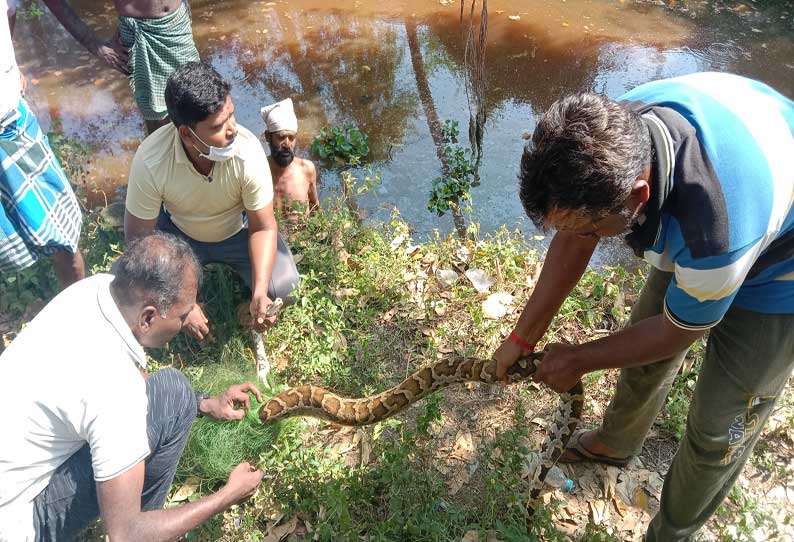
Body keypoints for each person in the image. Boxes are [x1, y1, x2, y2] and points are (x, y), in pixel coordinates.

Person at [493, 72, 794, 542]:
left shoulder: (714, 234)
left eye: (592, 230)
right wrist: (521, 337)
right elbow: (575, 239)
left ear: (637, 197)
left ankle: (671, 534)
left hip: (780, 271)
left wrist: (581, 359)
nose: (584, 238)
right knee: (640, 350)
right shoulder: (614, 129)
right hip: (735, 175)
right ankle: (614, 443)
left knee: (718, 429)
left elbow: (678, 332)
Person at [0, 232, 265, 541]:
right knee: (133, 525)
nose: (184, 324)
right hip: (16, 521)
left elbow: (114, 376)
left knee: (174, 392)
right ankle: (150, 520)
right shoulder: (118, 393)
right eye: (181, 315)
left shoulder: (93, 290)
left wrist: (204, 403)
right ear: (148, 317)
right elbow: (125, 535)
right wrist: (227, 495)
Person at [124, 61, 300, 340]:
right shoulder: (151, 160)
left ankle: (248, 301)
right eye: (218, 126)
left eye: (231, 115)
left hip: (236, 233)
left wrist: (259, 291)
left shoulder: (247, 153)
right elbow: (137, 240)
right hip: (179, 236)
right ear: (187, 134)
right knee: (124, 286)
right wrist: (183, 306)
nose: (232, 129)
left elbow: (263, 228)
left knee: (286, 287)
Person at [1, 0, 84, 288]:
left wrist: (11, 63)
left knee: (63, 229)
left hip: (11, 122)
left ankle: (79, 313)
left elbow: (9, 11)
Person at [41, 0, 200, 134]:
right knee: (160, 127)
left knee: (199, 109)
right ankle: (163, 168)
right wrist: (94, 44)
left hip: (178, 23)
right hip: (144, 35)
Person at [261, 98, 319, 221]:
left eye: (291, 138)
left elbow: (315, 208)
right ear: (268, 136)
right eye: (281, 137)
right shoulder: (258, 171)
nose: (287, 144)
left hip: (301, 238)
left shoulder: (306, 169)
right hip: (270, 239)